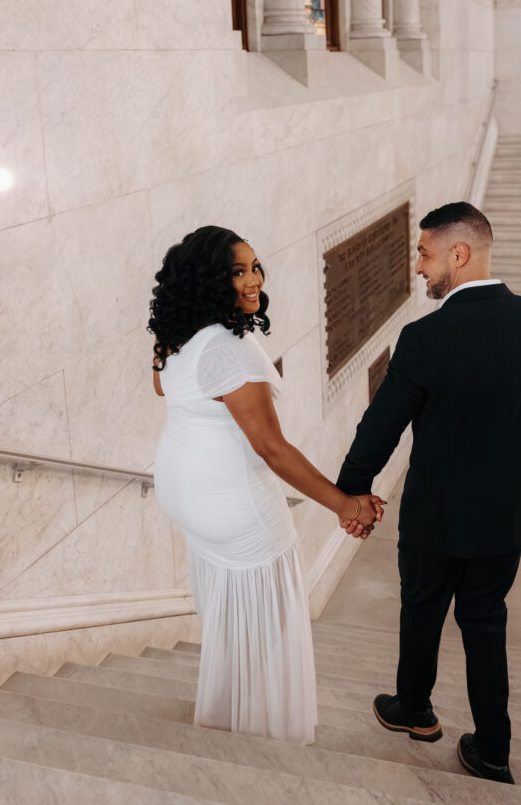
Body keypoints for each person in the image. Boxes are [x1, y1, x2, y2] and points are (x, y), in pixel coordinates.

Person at [336, 201, 521, 784]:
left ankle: (414, 710)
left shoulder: (424, 338)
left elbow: (381, 427)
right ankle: (493, 751)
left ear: (458, 254)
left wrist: (351, 492)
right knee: (485, 620)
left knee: (422, 610)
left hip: (435, 519)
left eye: (424, 252)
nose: (418, 266)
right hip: (507, 517)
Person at [148, 225, 384, 745]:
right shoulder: (229, 350)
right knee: (269, 632)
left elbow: (166, 386)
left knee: (230, 624)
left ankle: (226, 712)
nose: (253, 280)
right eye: (237, 271)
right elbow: (271, 448)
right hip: (236, 508)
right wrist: (346, 504)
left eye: (254, 266)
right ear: (211, 280)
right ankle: (264, 733)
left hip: (187, 494)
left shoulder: (174, 335)